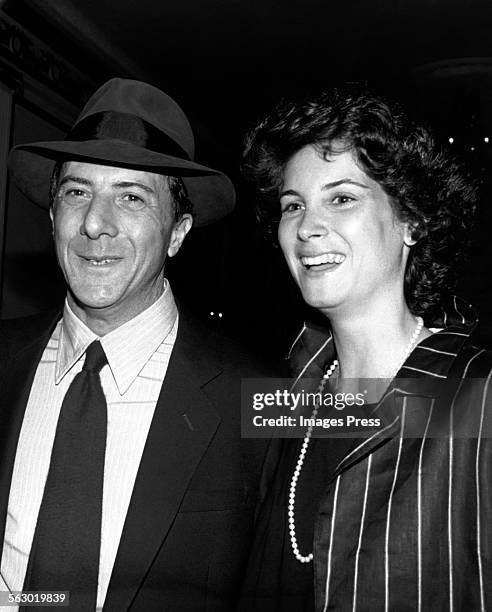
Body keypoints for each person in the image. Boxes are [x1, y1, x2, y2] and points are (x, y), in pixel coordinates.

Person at [0, 78, 274, 612]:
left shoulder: (256, 397)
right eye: (77, 192)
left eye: (131, 197)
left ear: (178, 232)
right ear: (53, 215)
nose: (96, 224)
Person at [239, 85, 492, 611]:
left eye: (342, 198)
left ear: (413, 221)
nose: (308, 227)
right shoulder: (281, 401)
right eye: (293, 206)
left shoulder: (477, 394)